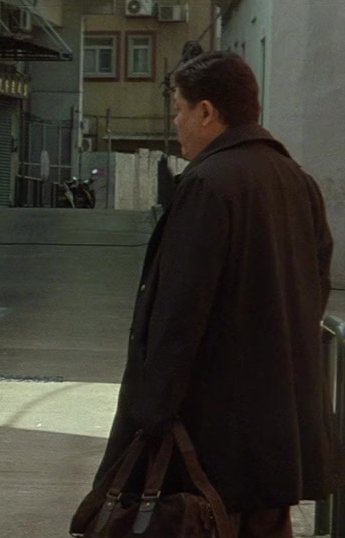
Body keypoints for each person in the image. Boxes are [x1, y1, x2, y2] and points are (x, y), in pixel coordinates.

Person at [94, 50, 344, 537]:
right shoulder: (298, 182)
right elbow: (316, 288)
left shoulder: (208, 185)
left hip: (211, 437)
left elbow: (179, 312)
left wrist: (150, 415)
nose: (176, 124)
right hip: (280, 427)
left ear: (206, 111)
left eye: (178, 110)